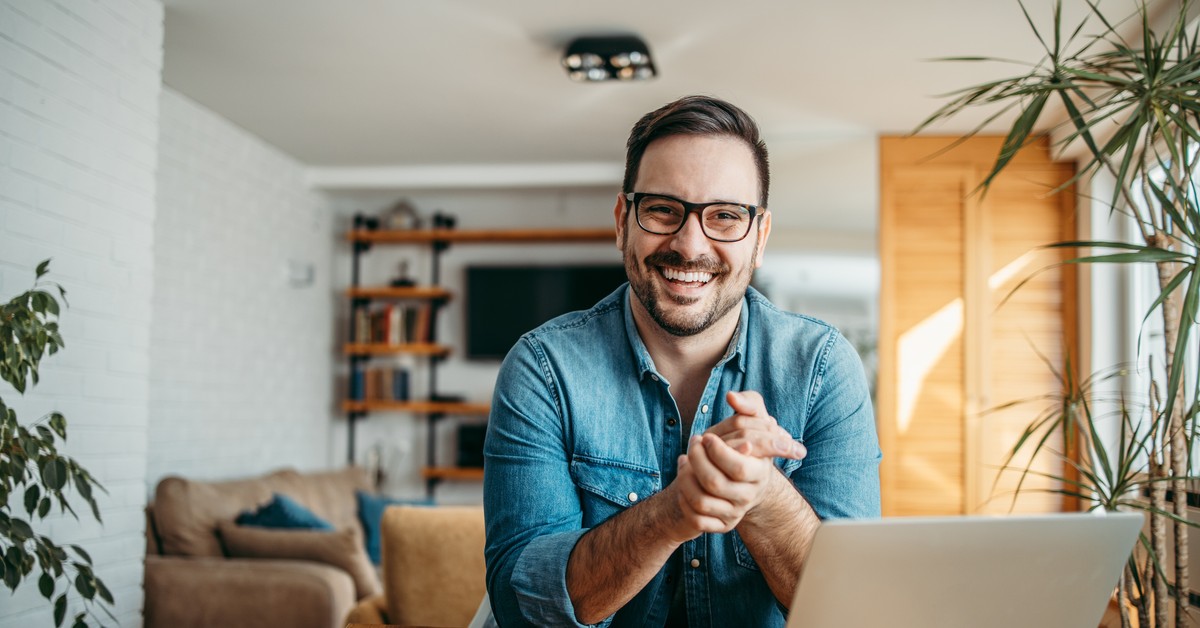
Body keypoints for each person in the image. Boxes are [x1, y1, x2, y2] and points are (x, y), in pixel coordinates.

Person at [483, 95, 881, 628]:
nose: (690, 245)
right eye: (664, 210)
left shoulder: (824, 368)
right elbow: (525, 610)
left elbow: (854, 609)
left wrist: (763, 495)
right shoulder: (542, 370)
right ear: (624, 220)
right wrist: (672, 512)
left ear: (759, 237)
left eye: (724, 216)